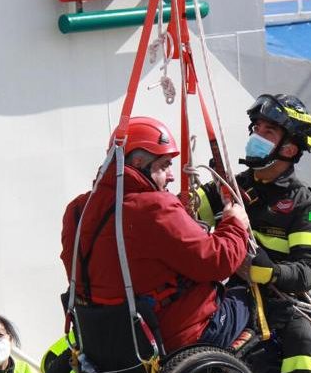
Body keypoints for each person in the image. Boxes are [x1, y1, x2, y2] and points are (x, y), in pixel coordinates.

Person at [195, 93, 311, 373]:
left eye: (267, 131)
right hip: (228, 297)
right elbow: (189, 215)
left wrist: (271, 272)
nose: (256, 136)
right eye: (257, 129)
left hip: (278, 303)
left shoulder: (304, 204)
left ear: (289, 147)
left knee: (305, 339)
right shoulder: (230, 189)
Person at [60, 115, 253, 354]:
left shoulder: (78, 210)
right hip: (169, 336)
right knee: (250, 299)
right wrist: (234, 224)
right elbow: (217, 262)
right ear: (139, 162)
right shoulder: (155, 208)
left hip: (104, 342)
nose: (172, 175)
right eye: (164, 166)